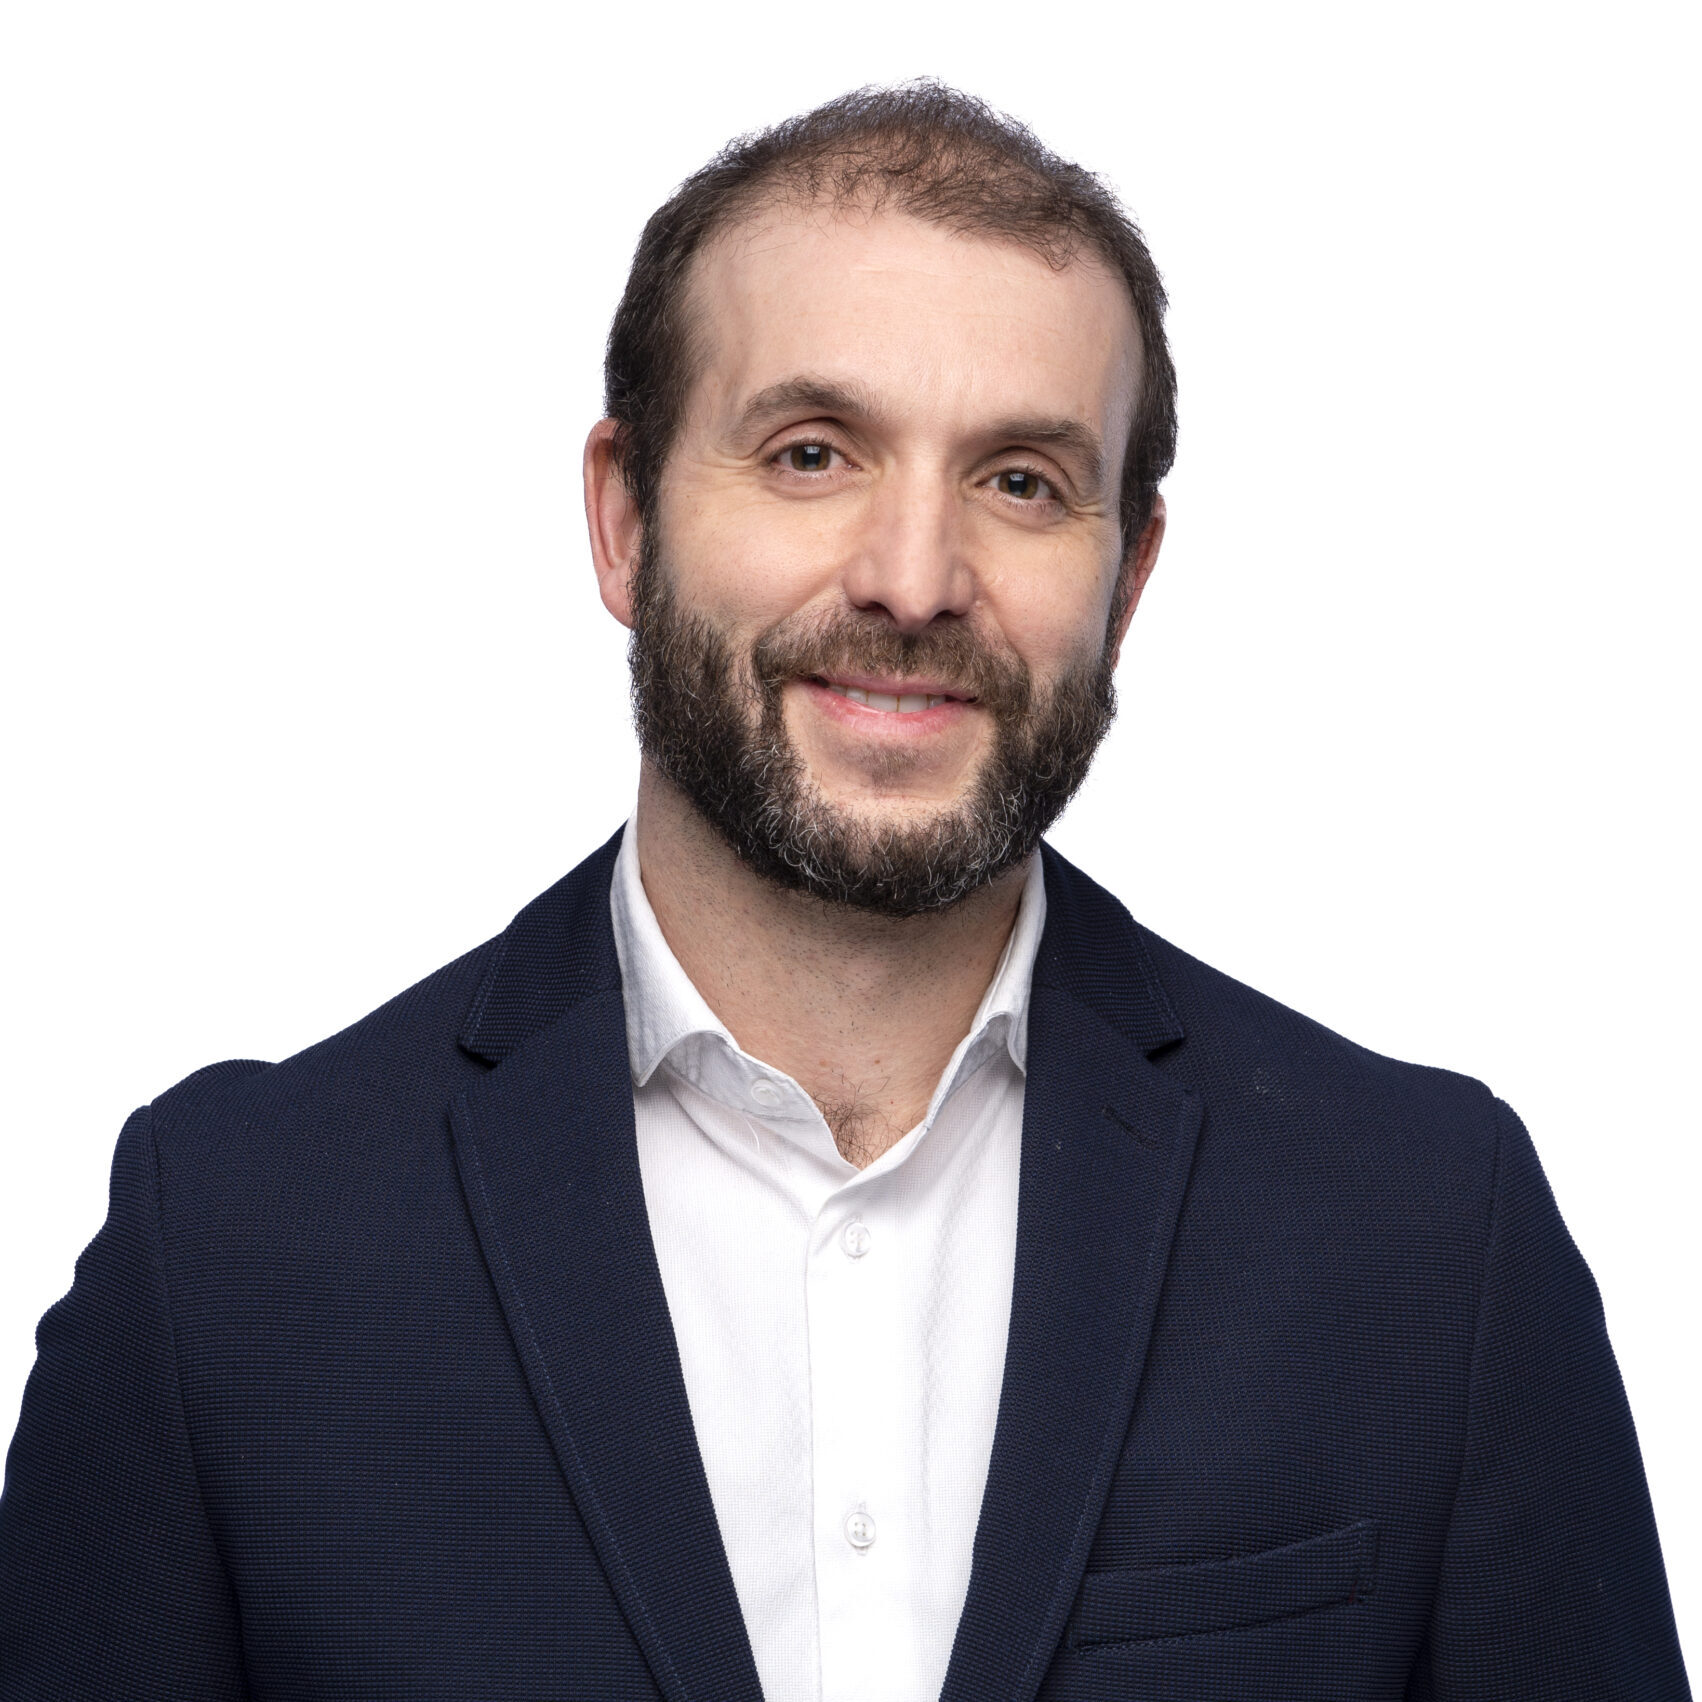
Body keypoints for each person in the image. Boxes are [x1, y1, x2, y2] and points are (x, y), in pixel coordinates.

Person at [0, 81, 1688, 1702]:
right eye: (812, 453)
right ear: (622, 519)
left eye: (1020, 482)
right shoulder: (224, 1253)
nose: (912, 579)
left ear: (1127, 576)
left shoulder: (1429, 1235)